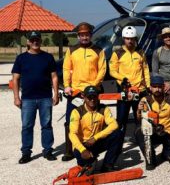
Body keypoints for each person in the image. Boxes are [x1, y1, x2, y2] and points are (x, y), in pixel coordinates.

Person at [11, 31, 59, 164]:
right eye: (32, 40)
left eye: (37, 39)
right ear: (28, 42)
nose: (35, 42)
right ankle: (26, 153)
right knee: (27, 126)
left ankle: (48, 150)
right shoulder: (21, 58)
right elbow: (15, 79)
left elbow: (54, 77)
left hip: (45, 98)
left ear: (40, 41)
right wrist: (16, 97)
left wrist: (56, 94)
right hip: (27, 99)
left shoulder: (48, 57)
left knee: (47, 125)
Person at [62, 22, 107, 161]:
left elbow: (102, 70)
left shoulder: (99, 50)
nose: (84, 37)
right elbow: (66, 68)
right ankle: (70, 150)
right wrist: (67, 85)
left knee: (96, 119)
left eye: (87, 34)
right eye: (82, 35)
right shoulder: (72, 49)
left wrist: (92, 87)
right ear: (78, 36)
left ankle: (95, 147)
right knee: (71, 121)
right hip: (75, 92)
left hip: (93, 91)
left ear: (91, 35)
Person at [135, 75, 170, 169]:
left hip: (169, 134)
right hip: (154, 133)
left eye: (159, 87)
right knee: (139, 131)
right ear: (150, 88)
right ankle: (150, 157)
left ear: (164, 87)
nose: (157, 89)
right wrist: (139, 111)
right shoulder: (146, 100)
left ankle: (166, 152)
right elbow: (140, 120)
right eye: (155, 87)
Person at [69, 86, 124, 172]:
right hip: (82, 145)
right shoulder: (77, 112)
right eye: (89, 97)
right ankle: (90, 162)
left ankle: (107, 165)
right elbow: (72, 134)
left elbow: (114, 125)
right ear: (84, 97)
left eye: (94, 96)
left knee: (118, 134)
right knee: (87, 169)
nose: (92, 99)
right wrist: (82, 150)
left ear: (97, 97)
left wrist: (95, 138)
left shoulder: (103, 109)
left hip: (96, 141)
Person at [109, 26, 150, 134]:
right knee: (121, 118)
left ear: (135, 39)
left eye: (132, 38)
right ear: (123, 38)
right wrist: (122, 79)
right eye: (127, 38)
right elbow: (112, 71)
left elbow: (145, 69)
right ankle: (118, 144)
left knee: (140, 117)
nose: (130, 41)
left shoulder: (140, 52)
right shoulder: (117, 53)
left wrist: (148, 85)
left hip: (139, 90)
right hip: (124, 89)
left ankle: (141, 141)